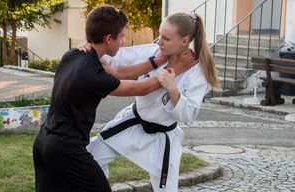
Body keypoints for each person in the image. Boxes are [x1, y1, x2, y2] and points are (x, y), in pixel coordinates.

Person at [32, 5, 196, 192]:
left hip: (42, 142)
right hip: (66, 150)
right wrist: (176, 69)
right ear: (108, 39)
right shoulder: (94, 76)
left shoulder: (73, 55)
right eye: (122, 37)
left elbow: (119, 72)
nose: (124, 42)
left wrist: (155, 62)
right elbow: (141, 88)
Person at [84, 12, 220, 192]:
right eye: (160, 35)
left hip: (162, 139)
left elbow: (189, 114)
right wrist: (90, 46)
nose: (159, 41)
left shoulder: (197, 71)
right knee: (90, 157)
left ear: (184, 41)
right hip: (132, 123)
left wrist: (172, 88)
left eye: (166, 38)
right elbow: (114, 58)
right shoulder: (154, 52)